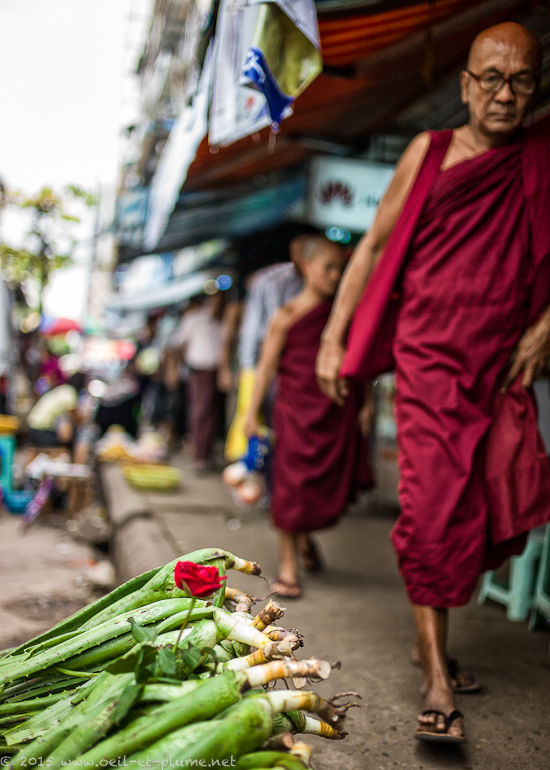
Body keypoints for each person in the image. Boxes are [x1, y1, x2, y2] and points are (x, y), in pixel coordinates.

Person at [315, 22, 550, 743]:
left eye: (520, 80)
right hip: (429, 363)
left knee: (491, 499)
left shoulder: (541, 159)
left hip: (503, 364)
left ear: (535, 88)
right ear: (465, 85)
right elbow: (376, 245)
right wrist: (334, 336)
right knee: (432, 509)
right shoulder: (432, 150)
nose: (503, 94)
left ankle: (431, 639)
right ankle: (437, 675)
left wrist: (547, 326)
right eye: (490, 78)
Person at [245, 235, 372, 598]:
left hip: (333, 410)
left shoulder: (341, 317)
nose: (335, 276)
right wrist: (251, 414)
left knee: (314, 487)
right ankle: (288, 564)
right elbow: (265, 369)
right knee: (289, 485)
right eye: (328, 268)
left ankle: (304, 538)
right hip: (294, 412)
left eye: (340, 269)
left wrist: (366, 405)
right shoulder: (285, 317)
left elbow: (356, 363)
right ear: (306, 267)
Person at [169, 292, 225, 472]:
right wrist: (173, 370)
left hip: (215, 372)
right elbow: (177, 345)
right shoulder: (195, 319)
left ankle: (205, 452)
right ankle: (200, 453)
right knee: (201, 411)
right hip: (199, 371)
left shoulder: (222, 321)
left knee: (212, 413)